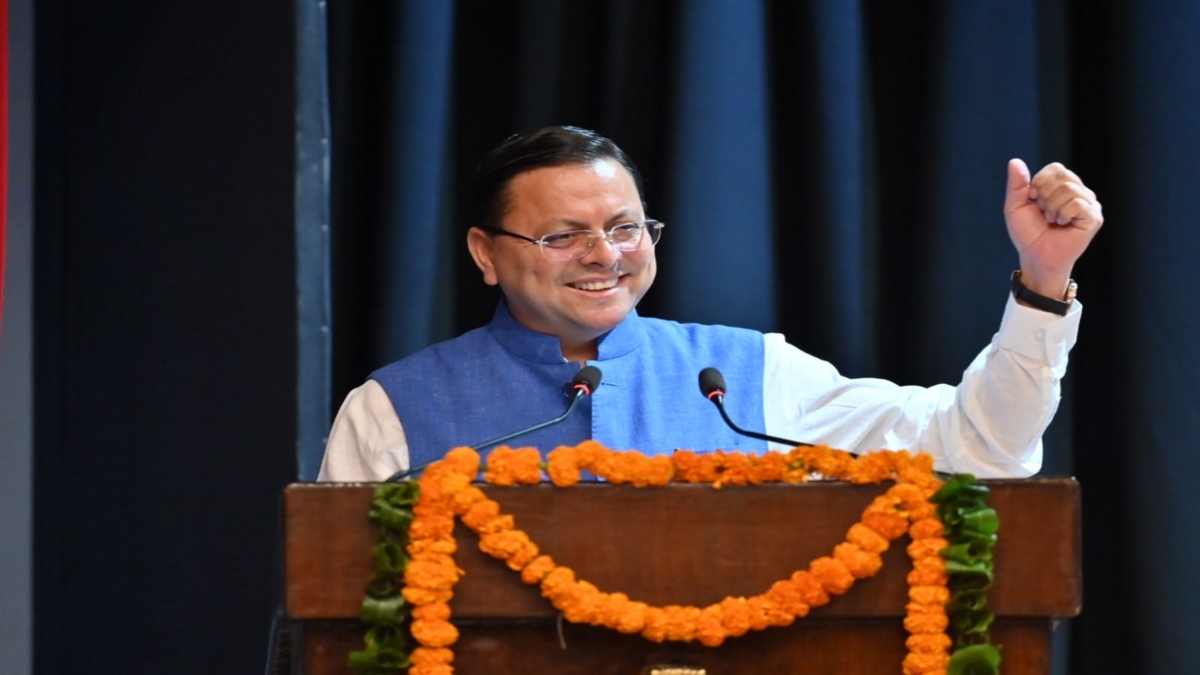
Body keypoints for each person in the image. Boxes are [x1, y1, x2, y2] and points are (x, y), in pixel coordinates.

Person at [318, 126, 1102, 482]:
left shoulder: (746, 378)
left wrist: (1043, 277)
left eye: (626, 228)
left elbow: (979, 444)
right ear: (485, 253)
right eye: (562, 236)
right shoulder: (395, 410)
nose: (605, 255)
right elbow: (336, 618)